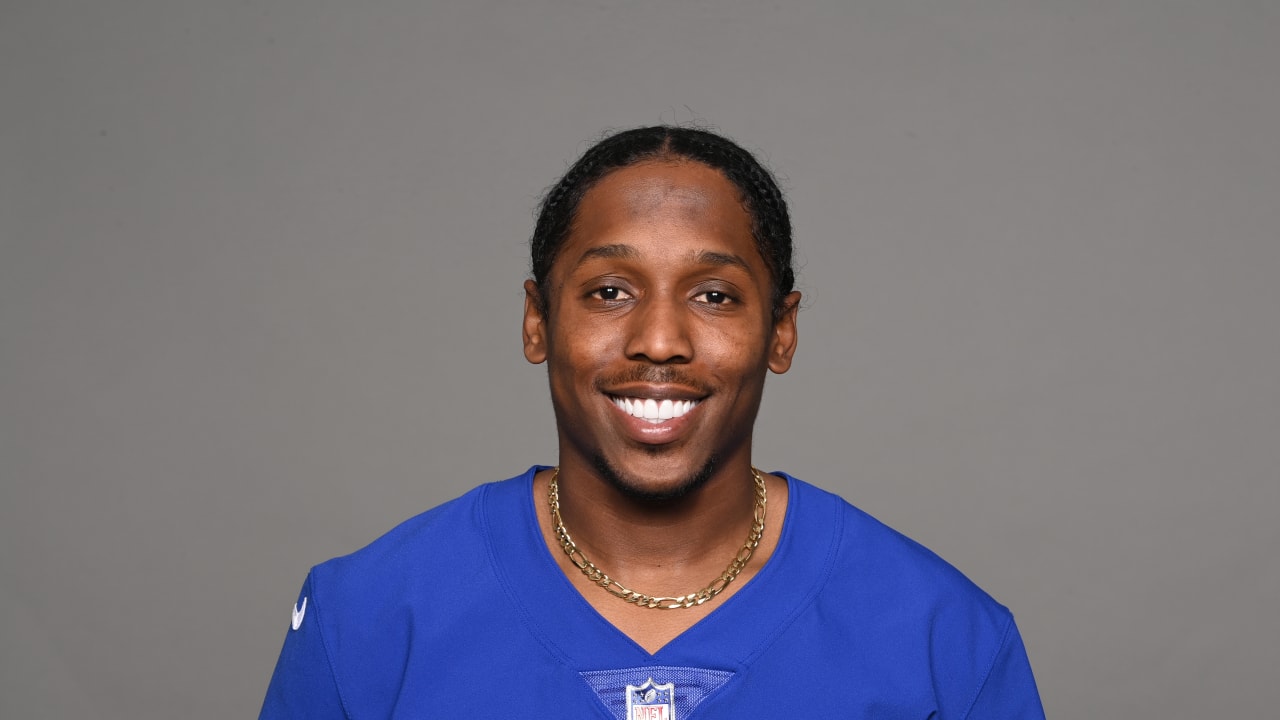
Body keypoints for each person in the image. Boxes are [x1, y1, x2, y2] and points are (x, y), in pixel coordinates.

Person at [259, 126, 1045, 719]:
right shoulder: (364, 617)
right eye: (608, 291)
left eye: (714, 295)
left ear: (782, 330)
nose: (659, 341)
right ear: (537, 321)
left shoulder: (945, 638)